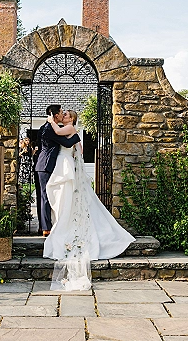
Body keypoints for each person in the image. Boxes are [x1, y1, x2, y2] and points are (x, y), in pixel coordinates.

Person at [43, 109, 135, 291]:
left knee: (68, 201)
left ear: (72, 119)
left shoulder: (68, 128)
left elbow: (58, 133)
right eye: (64, 114)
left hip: (65, 165)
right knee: (63, 198)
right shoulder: (71, 131)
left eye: (67, 115)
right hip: (64, 165)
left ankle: (64, 226)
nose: (65, 116)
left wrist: (50, 119)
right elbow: (79, 150)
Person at [35, 105, 81, 237]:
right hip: (46, 165)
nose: (62, 115)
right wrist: (76, 137)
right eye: (61, 113)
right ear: (55, 115)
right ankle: (46, 228)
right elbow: (66, 143)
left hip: (45, 165)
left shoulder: (47, 127)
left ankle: (43, 225)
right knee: (45, 196)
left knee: (45, 195)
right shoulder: (50, 128)